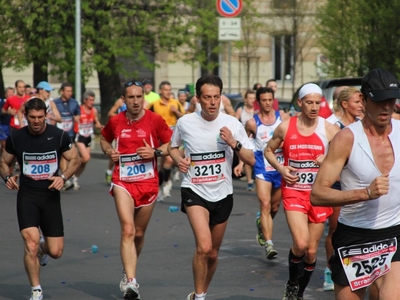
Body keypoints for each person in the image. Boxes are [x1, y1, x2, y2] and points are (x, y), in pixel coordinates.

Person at [311, 68, 400, 300]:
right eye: (379, 101)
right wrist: (365, 193)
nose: (386, 107)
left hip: (394, 233)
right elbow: (318, 194)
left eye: (391, 101)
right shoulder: (346, 138)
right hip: (354, 237)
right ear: (363, 99)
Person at [168, 74, 255, 300]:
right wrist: (179, 160)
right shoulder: (185, 122)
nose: (213, 102)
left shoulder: (232, 124)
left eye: (216, 97)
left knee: (214, 254)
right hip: (194, 190)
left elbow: (253, 159)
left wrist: (233, 143)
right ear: (198, 98)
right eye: (207, 97)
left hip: (223, 193)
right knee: (204, 247)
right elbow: (172, 147)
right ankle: (199, 297)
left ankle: (201, 291)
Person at [0, 98, 80, 300]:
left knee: (56, 251)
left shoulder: (58, 135)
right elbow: (3, 161)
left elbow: (75, 159)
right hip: (27, 195)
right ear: (25, 116)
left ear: (46, 115)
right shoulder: (16, 137)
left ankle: (44, 249)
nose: (36, 121)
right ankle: (36, 290)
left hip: (50, 197)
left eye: (40, 117)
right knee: (31, 243)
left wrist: (63, 177)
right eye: (32, 117)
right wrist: (7, 177)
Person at [265, 83, 339, 300]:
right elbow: (268, 150)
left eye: (318, 103)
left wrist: (328, 160)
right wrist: (281, 168)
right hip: (294, 191)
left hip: (318, 195)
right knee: (301, 243)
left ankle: (298, 292)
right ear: (300, 103)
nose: (314, 107)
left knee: (312, 252)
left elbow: (346, 157)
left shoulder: (329, 129)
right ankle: (292, 282)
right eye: (309, 102)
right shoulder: (286, 127)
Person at [100, 80, 172, 300]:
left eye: (139, 96)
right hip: (123, 181)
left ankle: (128, 267)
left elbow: (173, 144)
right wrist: (108, 151)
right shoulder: (116, 121)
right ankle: (131, 281)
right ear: (124, 99)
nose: (135, 101)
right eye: (130, 97)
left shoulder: (154, 120)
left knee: (139, 234)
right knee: (128, 230)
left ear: (144, 97)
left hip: (148, 183)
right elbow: (104, 139)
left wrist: (155, 153)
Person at [236, 87, 290, 259]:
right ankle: (269, 244)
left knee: (274, 207)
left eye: (270, 100)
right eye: (264, 100)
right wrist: (240, 162)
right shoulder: (253, 123)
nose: (267, 103)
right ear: (258, 102)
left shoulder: (283, 118)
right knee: (265, 204)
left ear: (273, 100)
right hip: (261, 166)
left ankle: (261, 224)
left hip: (280, 167)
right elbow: (245, 144)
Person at [322, 86, 364, 292]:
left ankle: (357, 267)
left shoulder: (363, 125)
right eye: (357, 102)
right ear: (345, 104)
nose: (361, 105)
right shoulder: (331, 125)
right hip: (338, 184)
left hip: (358, 185)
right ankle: (330, 269)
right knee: (336, 228)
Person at [147, 80, 185, 199]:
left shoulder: (175, 102)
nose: (168, 92)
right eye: (166, 90)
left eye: (170, 90)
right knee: (164, 163)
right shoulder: (154, 104)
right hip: (160, 136)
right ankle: (162, 186)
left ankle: (165, 184)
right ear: (160, 91)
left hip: (173, 134)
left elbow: (185, 118)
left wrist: (176, 111)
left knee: (167, 161)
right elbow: (145, 117)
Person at [72, 90, 103, 189]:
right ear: (85, 100)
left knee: (85, 161)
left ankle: (75, 178)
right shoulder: (79, 110)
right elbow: (74, 120)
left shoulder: (94, 110)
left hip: (88, 136)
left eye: (93, 100)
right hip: (80, 136)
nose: (92, 102)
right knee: (86, 158)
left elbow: (96, 122)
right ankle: (71, 169)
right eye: (90, 100)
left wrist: (100, 127)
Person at [53, 82, 81, 190]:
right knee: (63, 156)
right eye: (68, 91)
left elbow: (78, 113)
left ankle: (66, 178)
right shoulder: (55, 103)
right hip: (59, 133)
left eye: (71, 91)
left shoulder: (74, 103)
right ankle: (65, 180)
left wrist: (77, 117)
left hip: (70, 133)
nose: (70, 93)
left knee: (75, 157)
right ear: (62, 91)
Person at [235, 90, 257, 190]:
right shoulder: (241, 110)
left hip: (256, 138)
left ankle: (258, 178)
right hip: (245, 138)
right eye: (250, 98)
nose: (252, 100)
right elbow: (234, 122)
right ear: (245, 99)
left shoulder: (257, 110)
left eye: (254, 98)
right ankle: (249, 181)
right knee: (247, 161)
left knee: (256, 160)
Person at [105, 97, 127, 184]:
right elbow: (110, 113)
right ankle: (109, 171)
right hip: (119, 130)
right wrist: (122, 117)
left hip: (130, 130)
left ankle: (123, 174)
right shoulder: (120, 102)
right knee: (115, 154)